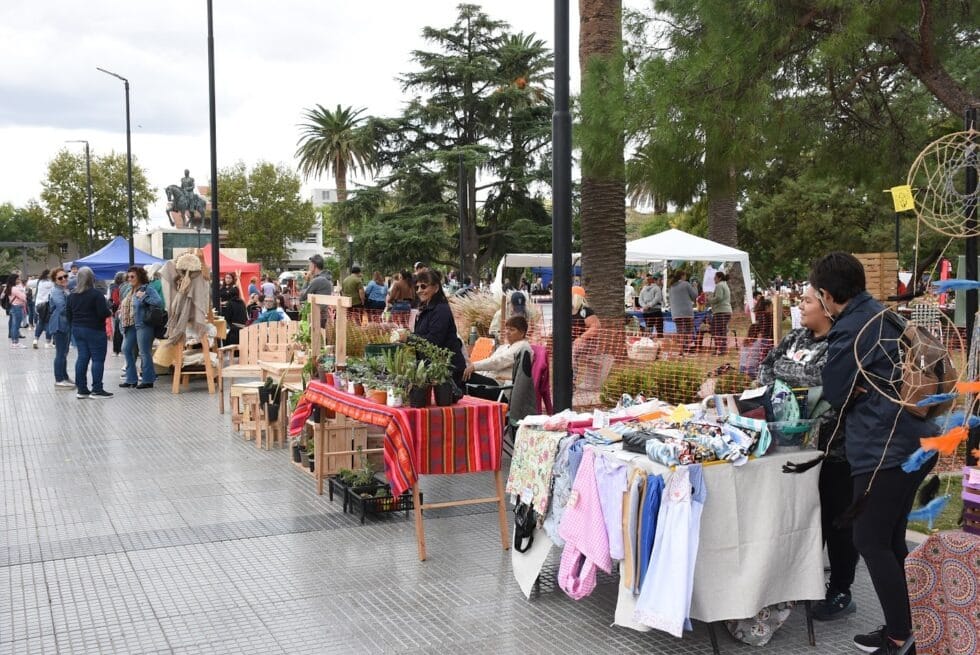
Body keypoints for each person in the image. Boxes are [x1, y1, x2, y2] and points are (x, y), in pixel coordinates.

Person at [810, 251, 936, 655]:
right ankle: (908, 627)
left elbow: (834, 391)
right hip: (915, 439)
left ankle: (901, 638)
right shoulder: (882, 314)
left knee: (869, 539)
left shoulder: (851, 328)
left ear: (827, 295)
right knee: (890, 539)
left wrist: (854, 389)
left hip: (885, 447)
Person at [757, 284, 859, 621]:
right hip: (789, 449)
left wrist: (790, 380)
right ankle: (804, 582)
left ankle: (840, 589)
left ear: (827, 305)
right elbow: (765, 370)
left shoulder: (839, 344)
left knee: (837, 521)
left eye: (807, 300)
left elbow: (828, 384)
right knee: (801, 519)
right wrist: (786, 386)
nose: (800, 306)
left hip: (833, 450)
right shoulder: (794, 338)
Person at [410, 269, 467, 388]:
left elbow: (434, 341)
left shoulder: (441, 309)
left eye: (423, 286)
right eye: (417, 287)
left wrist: (409, 338)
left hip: (447, 370)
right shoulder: (425, 309)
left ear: (436, 288)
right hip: (434, 367)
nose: (419, 290)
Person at [66, 267, 113, 398]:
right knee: (97, 359)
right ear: (92, 279)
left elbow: (68, 314)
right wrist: (109, 311)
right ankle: (97, 389)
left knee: (82, 358)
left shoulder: (72, 295)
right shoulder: (96, 294)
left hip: (77, 329)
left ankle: (82, 389)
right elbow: (102, 313)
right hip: (95, 329)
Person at [462, 315, 532, 400]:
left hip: (501, 388)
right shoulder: (505, 347)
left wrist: (474, 366)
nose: (507, 332)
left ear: (522, 333)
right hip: (492, 382)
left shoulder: (522, 347)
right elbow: (491, 361)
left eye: (512, 330)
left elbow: (498, 362)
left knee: (463, 377)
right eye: (507, 329)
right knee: (463, 375)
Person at [119, 266, 163, 390]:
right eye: (128, 277)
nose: (129, 279)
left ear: (139, 277)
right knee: (126, 349)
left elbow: (158, 302)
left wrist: (144, 297)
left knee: (144, 352)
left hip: (143, 324)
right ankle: (131, 379)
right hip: (130, 325)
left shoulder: (147, 289)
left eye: (132, 276)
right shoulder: (129, 290)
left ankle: (148, 380)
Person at [47, 268, 73, 387]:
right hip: (59, 324)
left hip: (64, 324)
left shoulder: (64, 289)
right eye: (60, 278)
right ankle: (59, 379)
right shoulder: (56, 291)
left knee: (64, 352)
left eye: (65, 276)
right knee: (61, 353)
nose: (64, 279)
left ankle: (64, 376)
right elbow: (62, 308)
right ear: (55, 280)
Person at [668, 270, 697, 354]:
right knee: (688, 330)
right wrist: (695, 287)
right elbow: (695, 296)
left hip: (676, 313)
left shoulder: (671, 286)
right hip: (686, 312)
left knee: (680, 331)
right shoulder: (686, 284)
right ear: (682, 276)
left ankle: (681, 348)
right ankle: (688, 347)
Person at [709, 271, 733, 355]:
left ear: (719, 278)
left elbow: (719, 297)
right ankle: (722, 349)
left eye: (715, 278)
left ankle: (719, 349)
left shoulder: (719, 285)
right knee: (722, 331)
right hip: (726, 311)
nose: (714, 279)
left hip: (721, 312)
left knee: (715, 330)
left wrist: (710, 299)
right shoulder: (725, 285)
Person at [571, 286, 600, 356]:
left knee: (574, 348)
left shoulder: (586, 311)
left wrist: (581, 338)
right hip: (571, 343)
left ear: (576, 297)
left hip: (584, 343)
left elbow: (596, 327)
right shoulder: (566, 310)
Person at [4, 273, 27, 348]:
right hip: (17, 307)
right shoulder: (14, 289)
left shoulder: (10, 287)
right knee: (16, 326)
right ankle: (15, 342)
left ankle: (14, 342)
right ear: (14, 280)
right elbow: (24, 297)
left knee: (14, 325)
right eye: (18, 279)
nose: (19, 280)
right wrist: (22, 291)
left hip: (14, 307)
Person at [33, 269, 54, 348]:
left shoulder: (39, 282)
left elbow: (28, 283)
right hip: (47, 305)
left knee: (40, 322)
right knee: (49, 323)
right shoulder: (50, 283)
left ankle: (35, 339)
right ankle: (48, 342)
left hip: (38, 304)